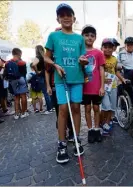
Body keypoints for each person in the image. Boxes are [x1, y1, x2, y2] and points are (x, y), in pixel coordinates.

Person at [44, 3, 88, 164]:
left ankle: (76, 139)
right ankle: (62, 143)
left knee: (76, 108)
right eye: (62, 15)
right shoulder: (53, 36)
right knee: (63, 109)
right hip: (61, 79)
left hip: (77, 79)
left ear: (74, 18)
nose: (66, 17)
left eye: (68, 14)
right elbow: (46, 57)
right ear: (58, 19)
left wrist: (83, 62)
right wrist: (55, 65)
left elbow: (84, 59)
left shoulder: (79, 38)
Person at [81, 25, 105, 143]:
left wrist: (102, 86)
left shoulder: (99, 53)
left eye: (92, 36)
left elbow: (101, 70)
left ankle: (97, 129)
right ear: (82, 37)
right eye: (87, 35)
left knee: (96, 108)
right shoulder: (80, 52)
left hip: (96, 87)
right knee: (87, 108)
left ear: (95, 38)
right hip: (85, 87)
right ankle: (90, 130)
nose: (89, 38)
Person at [100, 38, 125, 135]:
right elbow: (97, 72)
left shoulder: (115, 59)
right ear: (102, 48)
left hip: (113, 86)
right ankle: (101, 122)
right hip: (103, 86)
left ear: (113, 48)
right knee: (106, 106)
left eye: (110, 47)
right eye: (105, 47)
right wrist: (102, 80)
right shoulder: (100, 57)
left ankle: (107, 123)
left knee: (113, 107)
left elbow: (116, 71)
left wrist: (122, 79)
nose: (108, 49)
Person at [4, 48, 28, 120]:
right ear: (19, 53)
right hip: (21, 79)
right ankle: (24, 113)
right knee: (23, 96)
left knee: (16, 97)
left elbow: (6, 73)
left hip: (13, 81)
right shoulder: (22, 62)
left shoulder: (8, 63)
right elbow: (25, 73)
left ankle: (17, 114)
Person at [31, 45, 53, 114]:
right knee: (49, 92)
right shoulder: (45, 57)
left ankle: (49, 109)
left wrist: (37, 71)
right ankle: (51, 107)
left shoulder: (37, 57)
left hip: (41, 76)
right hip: (47, 75)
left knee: (45, 93)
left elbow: (33, 64)